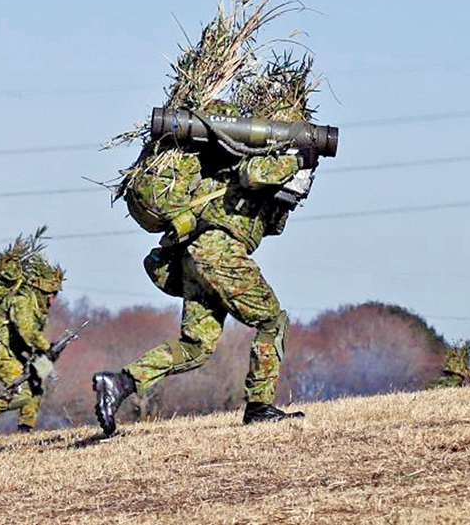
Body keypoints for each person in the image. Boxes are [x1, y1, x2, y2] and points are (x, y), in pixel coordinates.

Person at [93, 143, 314, 435]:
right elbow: (253, 174)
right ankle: (260, 407)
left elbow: (269, 225)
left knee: (196, 347)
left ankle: (119, 383)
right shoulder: (250, 156)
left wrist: (293, 190)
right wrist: (297, 159)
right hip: (217, 249)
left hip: (196, 255)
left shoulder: (256, 166)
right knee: (271, 321)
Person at [0, 240, 63, 437]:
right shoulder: (23, 301)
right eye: (53, 294)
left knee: (37, 386)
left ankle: (24, 430)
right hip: (0, 352)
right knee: (24, 394)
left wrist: (47, 355)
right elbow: (26, 331)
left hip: (14, 352)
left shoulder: (36, 306)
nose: (54, 299)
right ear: (44, 291)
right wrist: (46, 346)